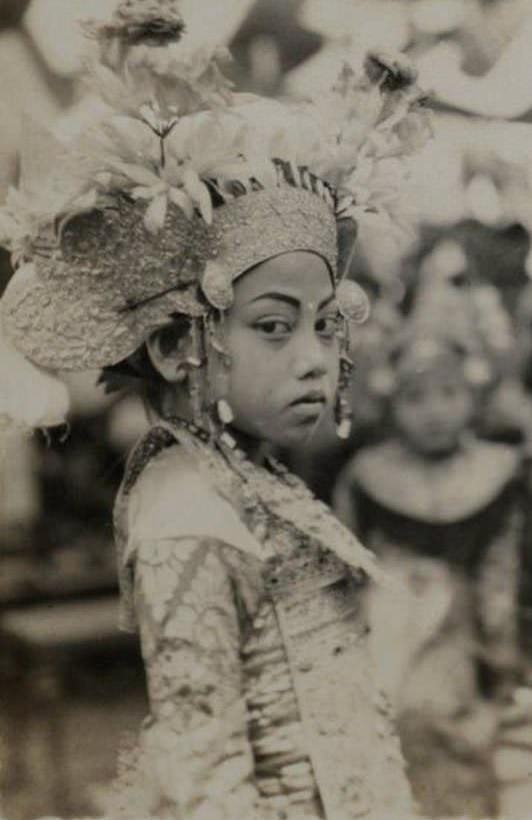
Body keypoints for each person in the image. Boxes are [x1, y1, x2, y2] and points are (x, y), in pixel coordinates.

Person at [0, 1, 431, 817]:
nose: (315, 356)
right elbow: (209, 781)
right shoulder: (188, 514)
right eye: (274, 326)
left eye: (325, 323)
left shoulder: (245, 480)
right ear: (172, 349)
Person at [333, 301, 525, 818]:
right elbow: (344, 574)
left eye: (449, 392)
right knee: (408, 723)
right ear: (392, 402)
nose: (435, 410)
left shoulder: (501, 472)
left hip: (483, 632)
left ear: (474, 394)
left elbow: (507, 571)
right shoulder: (367, 476)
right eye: (416, 397)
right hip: (399, 634)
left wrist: (503, 657)